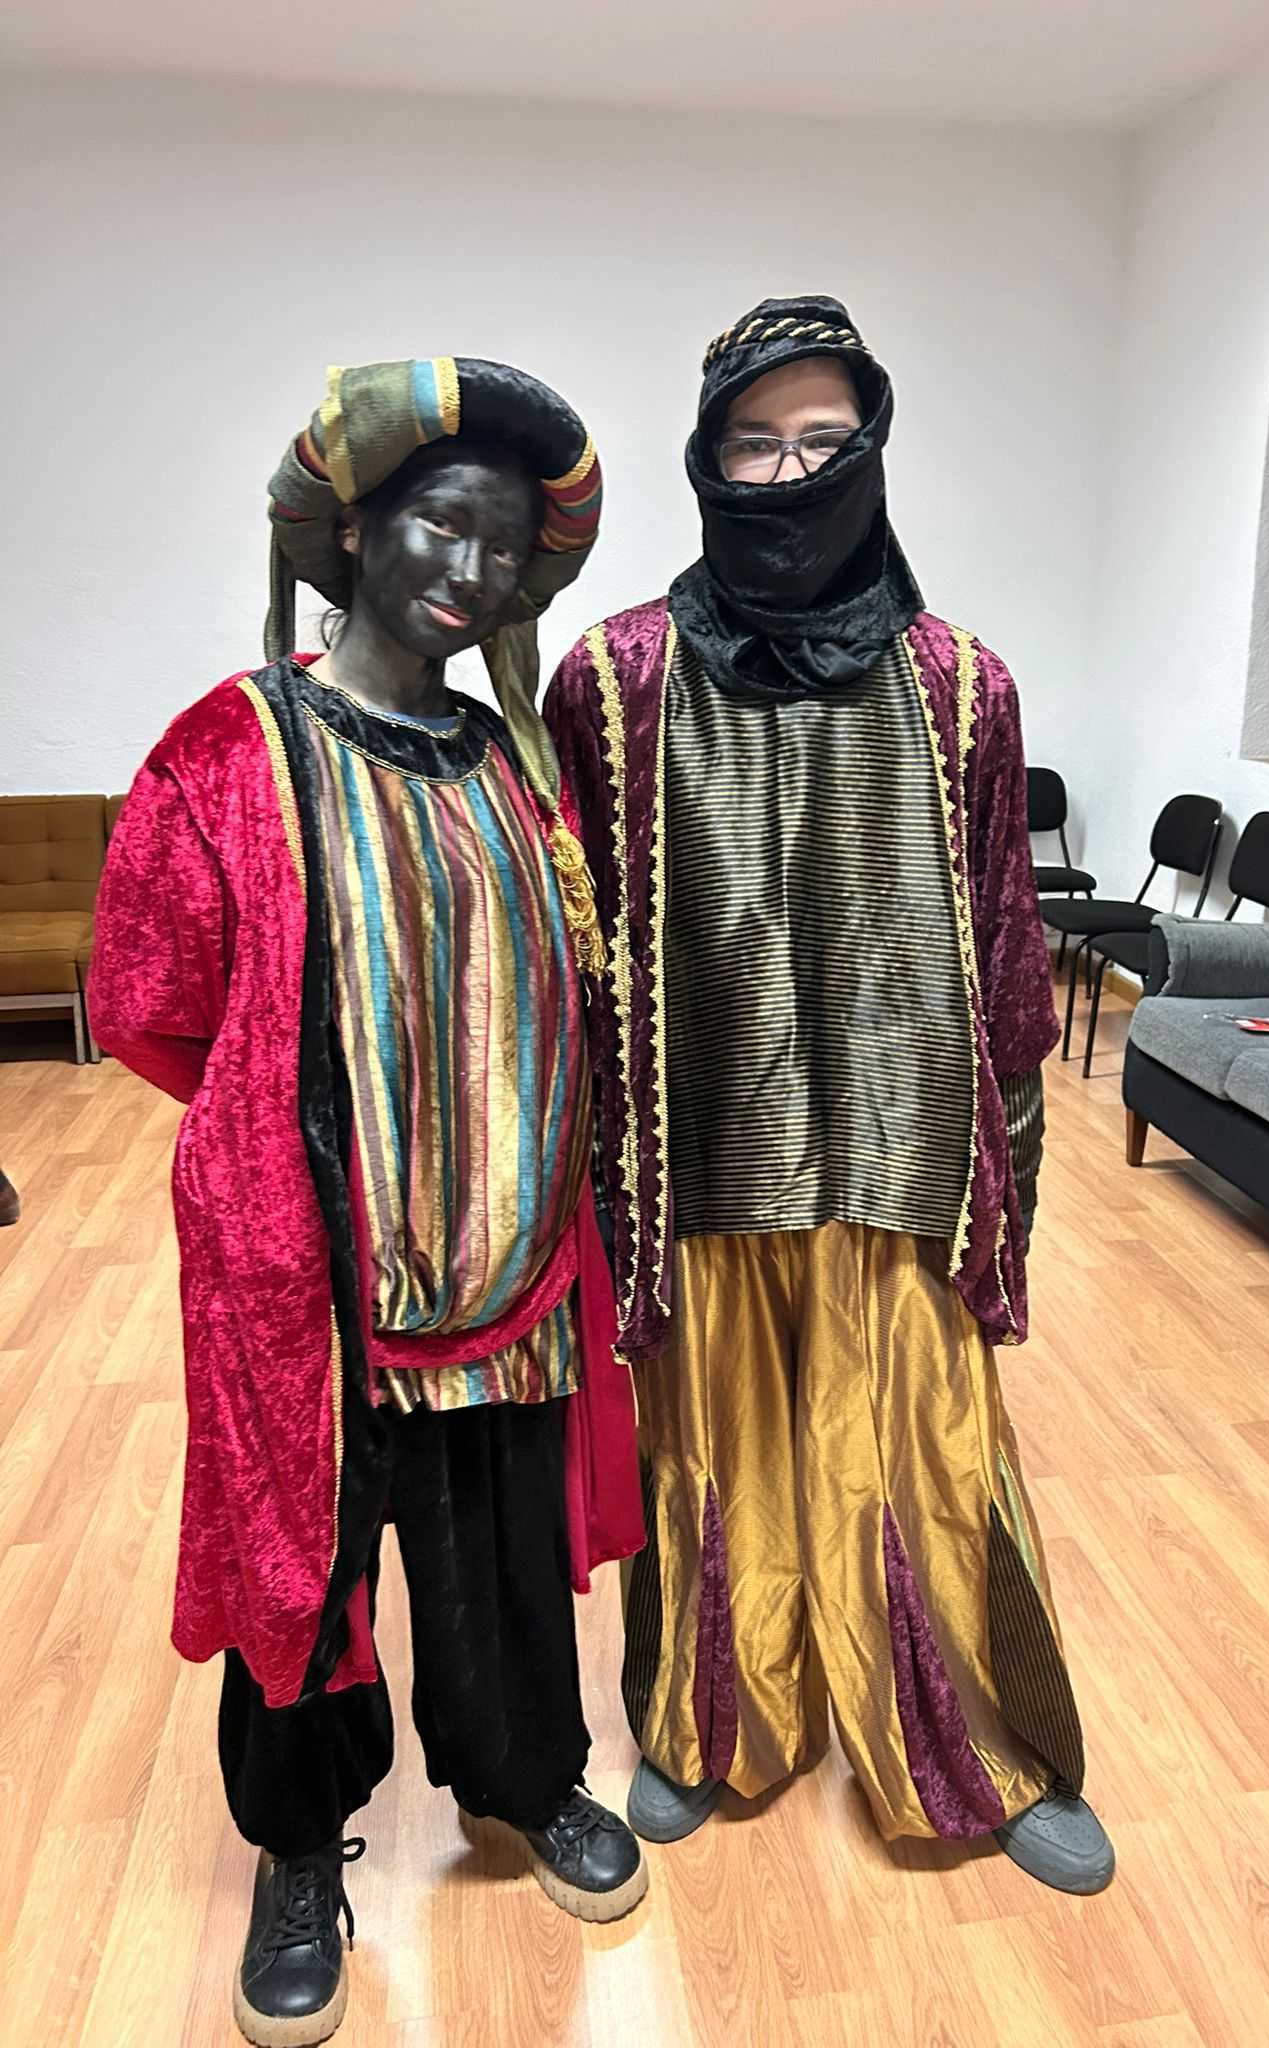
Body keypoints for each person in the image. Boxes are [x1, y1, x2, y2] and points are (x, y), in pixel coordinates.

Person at [91, 357, 648, 2048]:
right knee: (305, 1567)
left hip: (512, 1269)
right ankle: (295, 1847)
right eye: (438, 526)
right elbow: (151, 1002)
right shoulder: (228, 748)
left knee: (499, 1559)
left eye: (504, 548)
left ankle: (525, 1780)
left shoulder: (513, 764)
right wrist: (302, 1155)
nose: (469, 571)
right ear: (353, 531)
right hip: (316, 1277)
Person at [545, 297, 1114, 1892]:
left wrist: (1009, 1186)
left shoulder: (962, 686)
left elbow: (1008, 952)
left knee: (928, 1451)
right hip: (703, 1154)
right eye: (754, 442)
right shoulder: (615, 681)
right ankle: (710, 1720)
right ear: (706, 458)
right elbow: (579, 957)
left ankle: (980, 1742)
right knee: (713, 1443)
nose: (787, 473)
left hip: (902, 1152)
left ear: (871, 451)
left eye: (820, 440)